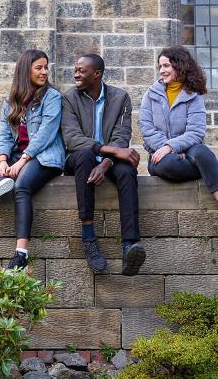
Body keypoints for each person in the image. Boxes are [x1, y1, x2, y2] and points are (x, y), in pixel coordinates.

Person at [0, 49, 65, 270]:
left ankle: (21, 253)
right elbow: (4, 135)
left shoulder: (52, 97)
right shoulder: (11, 101)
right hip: (17, 156)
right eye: (39, 68)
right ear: (25, 70)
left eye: (46, 67)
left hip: (45, 158)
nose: (44, 72)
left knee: (21, 187)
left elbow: (46, 133)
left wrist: (21, 161)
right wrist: (2, 161)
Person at [139, 46, 218, 237]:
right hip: (160, 155)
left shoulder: (193, 97)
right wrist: (166, 148)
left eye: (167, 65)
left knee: (202, 152)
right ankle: (215, 169)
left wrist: (173, 145)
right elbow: (147, 129)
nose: (162, 70)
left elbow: (196, 132)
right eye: (160, 66)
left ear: (180, 66)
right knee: (170, 164)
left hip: (188, 149)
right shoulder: (150, 95)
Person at [62, 54, 146, 276]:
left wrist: (107, 162)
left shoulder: (120, 98)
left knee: (127, 170)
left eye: (82, 70)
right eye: (76, 69)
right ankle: (88, 236)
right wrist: (110, 150)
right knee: (84, 156)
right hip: (79, 159)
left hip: (109, 161)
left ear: (97, 74)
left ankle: (130, 245)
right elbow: (72, 138)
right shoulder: (69, 98)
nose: (76, 74)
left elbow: (122, 136)